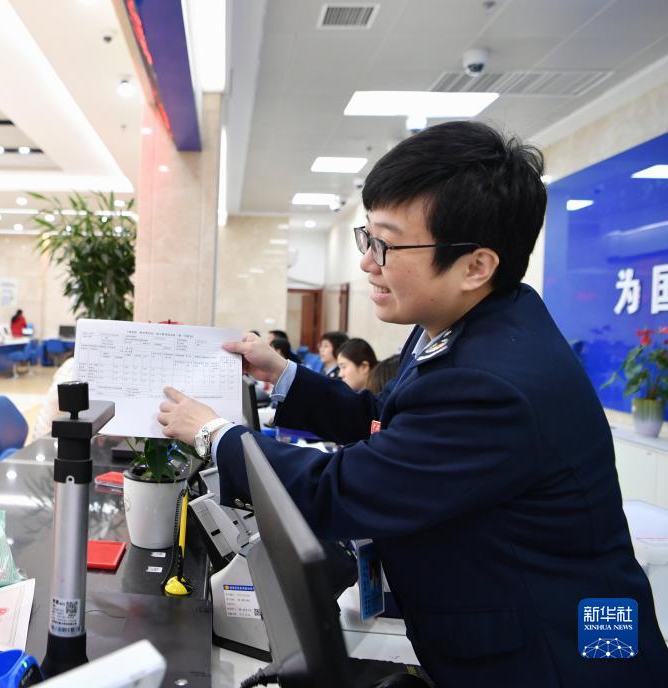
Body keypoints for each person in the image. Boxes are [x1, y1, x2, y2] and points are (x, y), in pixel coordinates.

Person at [157, 121, 668, 686]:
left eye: (387, 244)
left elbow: (339, 491)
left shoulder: (492, 383)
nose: (367, 262)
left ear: (476, 266)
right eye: (368, 236)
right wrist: (283, 375)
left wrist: (215, 435)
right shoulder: (468, 321)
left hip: (557, 660)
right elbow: (385, 422)